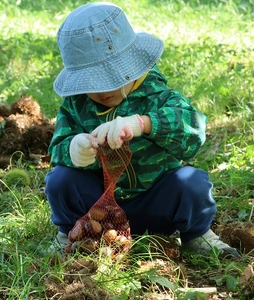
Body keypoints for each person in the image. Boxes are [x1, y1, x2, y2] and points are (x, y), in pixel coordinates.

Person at [44, 2, 240, 258]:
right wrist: (73, 148)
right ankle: (70, 234)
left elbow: (193, 129)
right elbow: (57, 147)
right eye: (93, 82)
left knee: (192, 182)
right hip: (97, 209)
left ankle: (197, 235)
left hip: (156, 202)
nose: (103, 91)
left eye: (111, 79)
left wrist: (143, 123)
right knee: (60, 180)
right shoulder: (76, 106)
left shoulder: (156, 95)